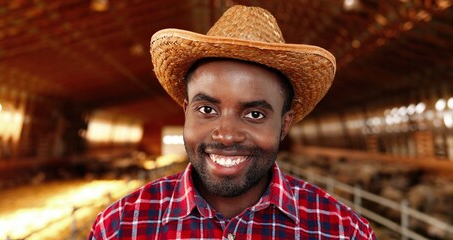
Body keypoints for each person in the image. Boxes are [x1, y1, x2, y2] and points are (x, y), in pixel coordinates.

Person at [88, 5, 377, 239]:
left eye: (254, 114)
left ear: (285, 125)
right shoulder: (120, 227)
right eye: (207, 109)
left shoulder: (343, 231)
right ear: (186, 111)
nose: (226, 135)